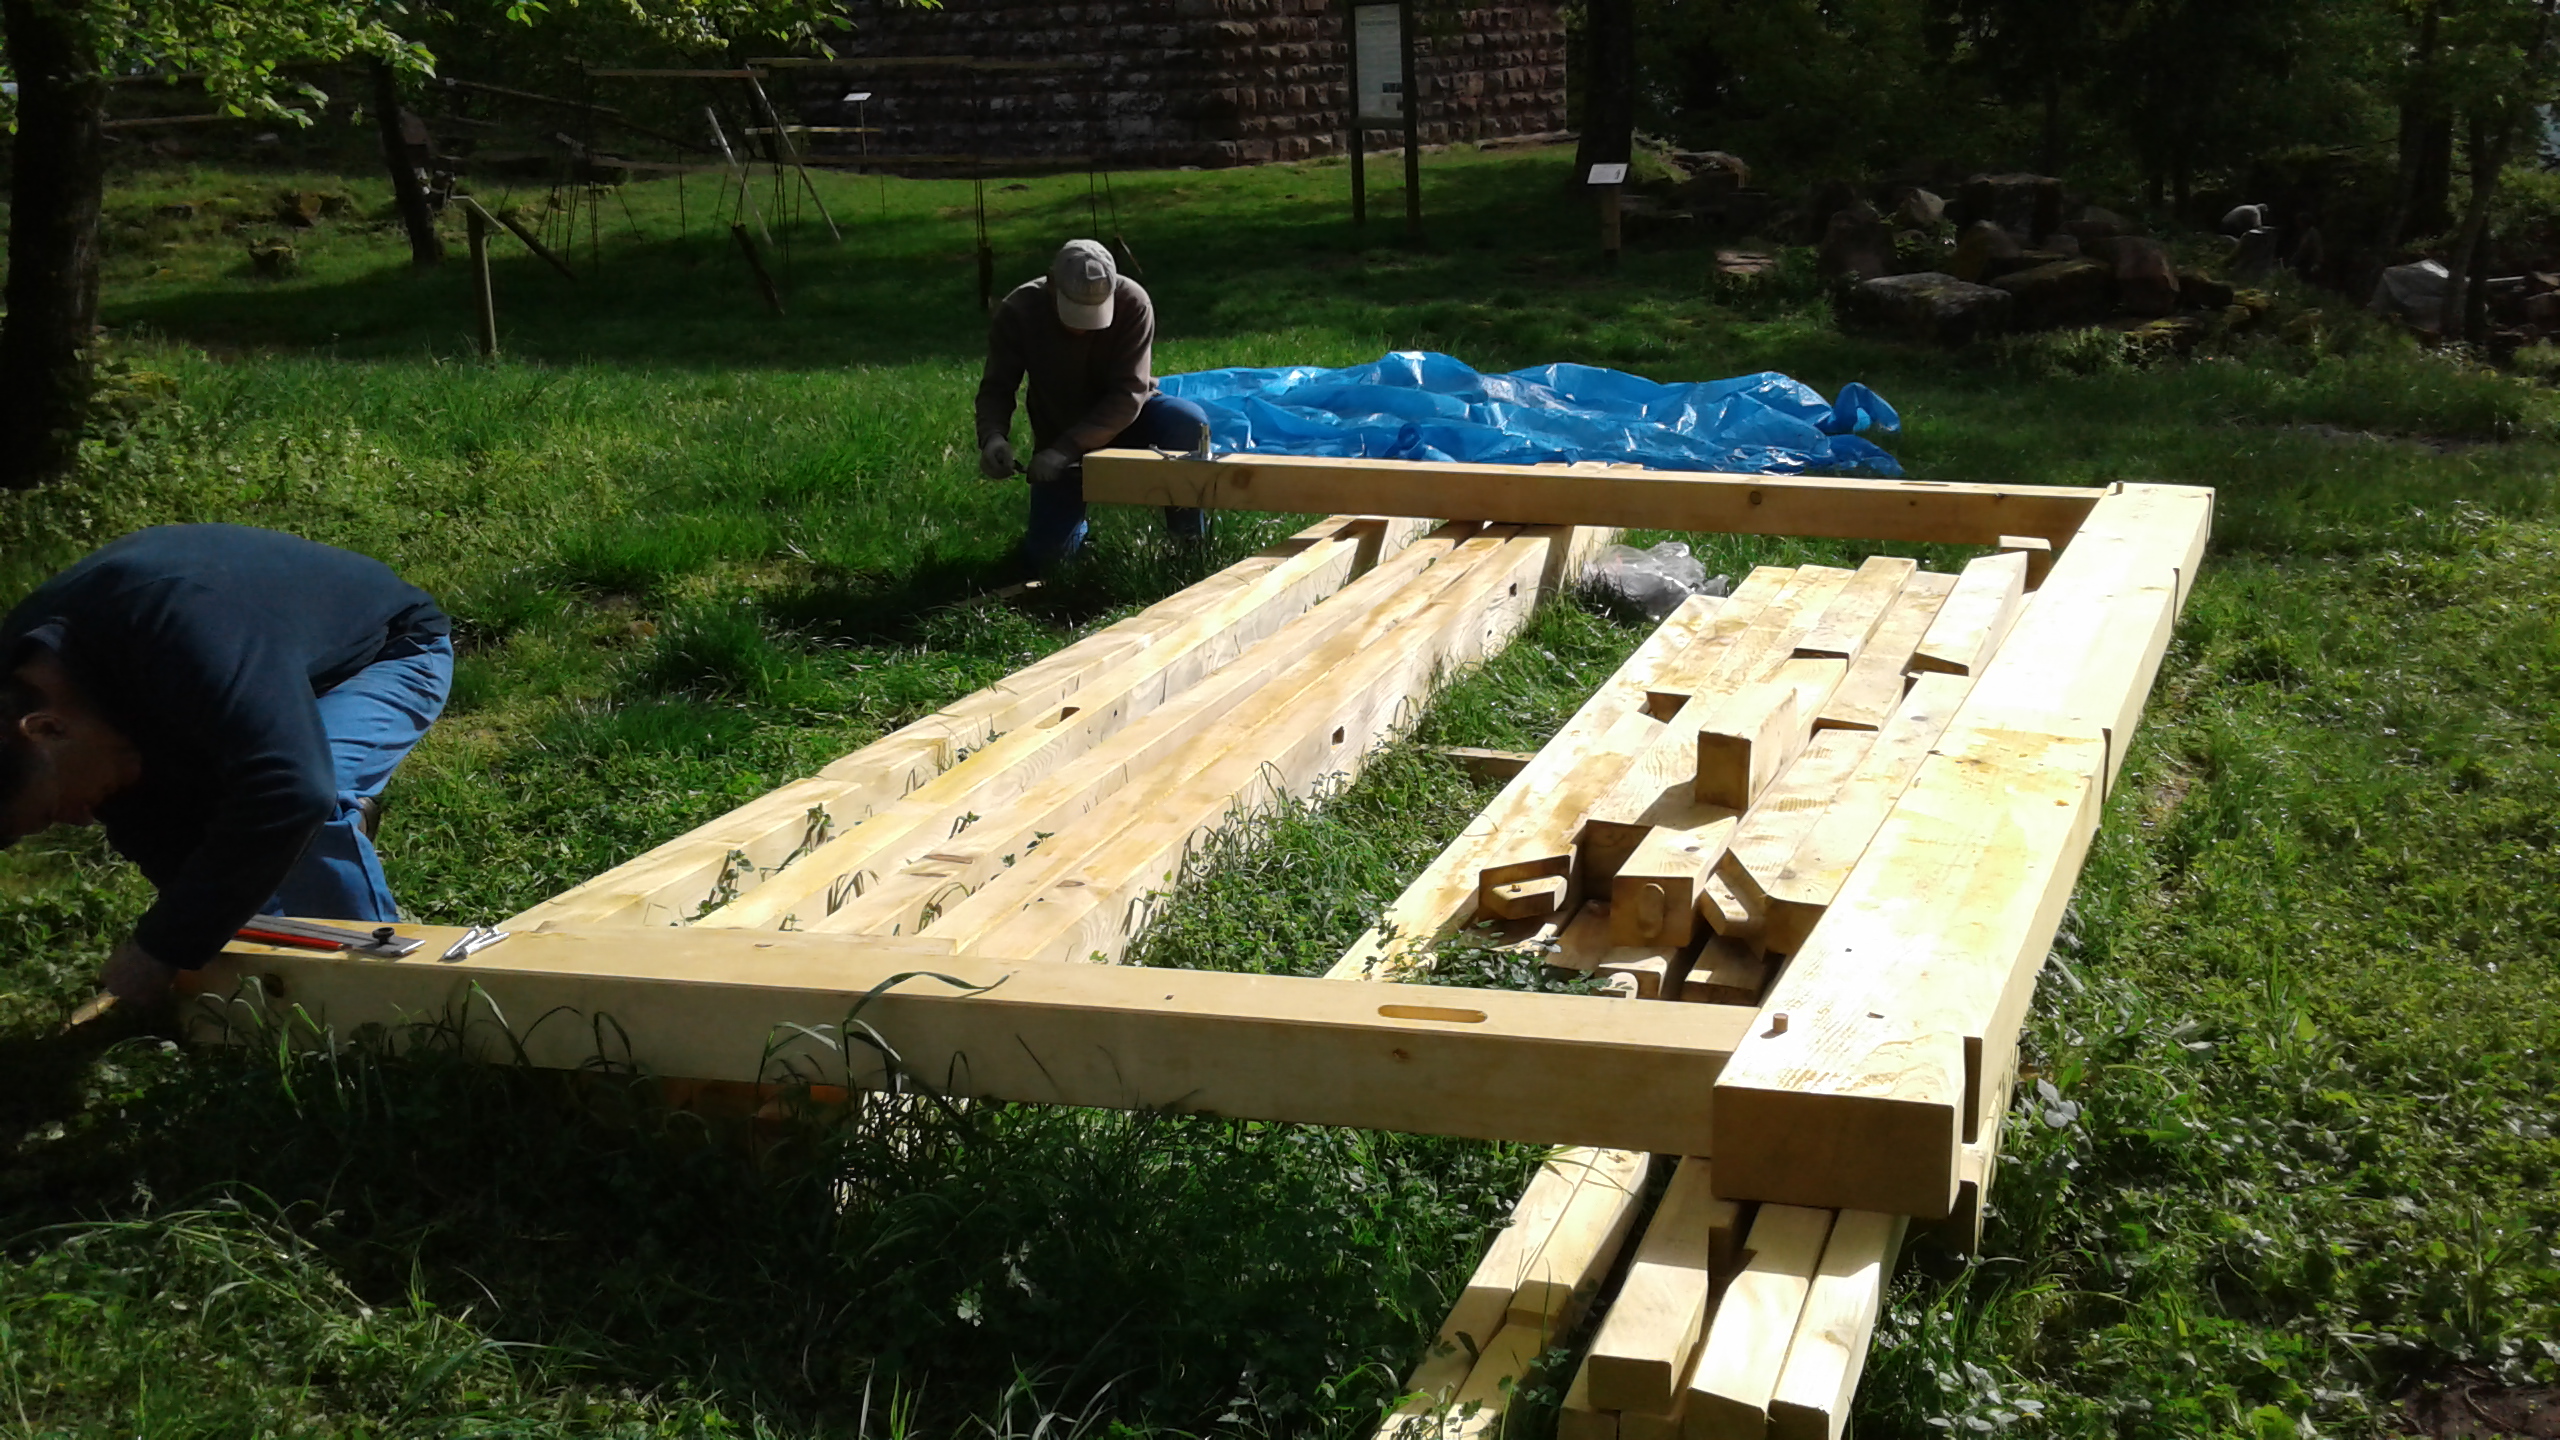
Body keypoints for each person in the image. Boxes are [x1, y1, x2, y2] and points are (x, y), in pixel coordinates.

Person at [0, 524, 453, 1003]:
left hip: (382, 651)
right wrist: (195, 930)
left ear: (46, 729)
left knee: (309, 812)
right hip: (243, 675)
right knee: (237, 869)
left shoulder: (176, 625)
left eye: (55, 810)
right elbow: (157, 834)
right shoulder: (24, 679)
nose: (80, 819)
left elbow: (293, 791)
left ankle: (382, 1008)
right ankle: (293, 990)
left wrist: (162, 947)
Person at [975, 238, 1212, 570]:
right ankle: (1075, 540)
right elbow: (997, 386)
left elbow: (1129, 393)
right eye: (1074, 312)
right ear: (1051, 283)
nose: (1083, 329)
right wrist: (993, 437)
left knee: (1187, 422)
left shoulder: (1134, 303)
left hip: (1130, 422)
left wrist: (1066, 449)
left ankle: (1188, 544)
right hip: (1060, 433)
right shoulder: (1019, 311)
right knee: (1049, 562)